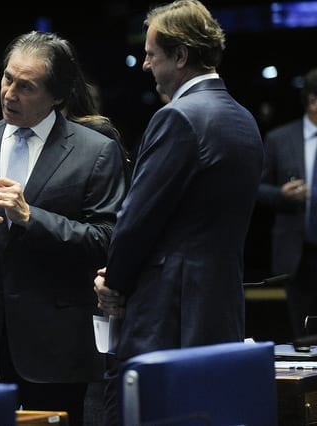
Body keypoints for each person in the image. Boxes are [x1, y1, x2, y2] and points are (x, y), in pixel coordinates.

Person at [93, 1, 264, 424]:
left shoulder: (178, 118)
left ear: (181, 56)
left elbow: (136, 219)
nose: (146, 65)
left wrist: (114, 282)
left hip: (167, 313)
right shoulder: (244, 119)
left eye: (152, 54)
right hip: (220, 307)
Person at [0, 31, 127, 425]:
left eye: (26, 87)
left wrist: (32, 217)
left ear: (57, 95)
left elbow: (107, 239)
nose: (10, 94)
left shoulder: (95, 151)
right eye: (7, 79)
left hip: (58, 347)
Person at [257, 67, 317, 339]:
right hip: (296, 252)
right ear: (313, 101)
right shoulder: (280, 139)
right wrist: (282, 194)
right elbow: (255, 189)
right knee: (299, 335)